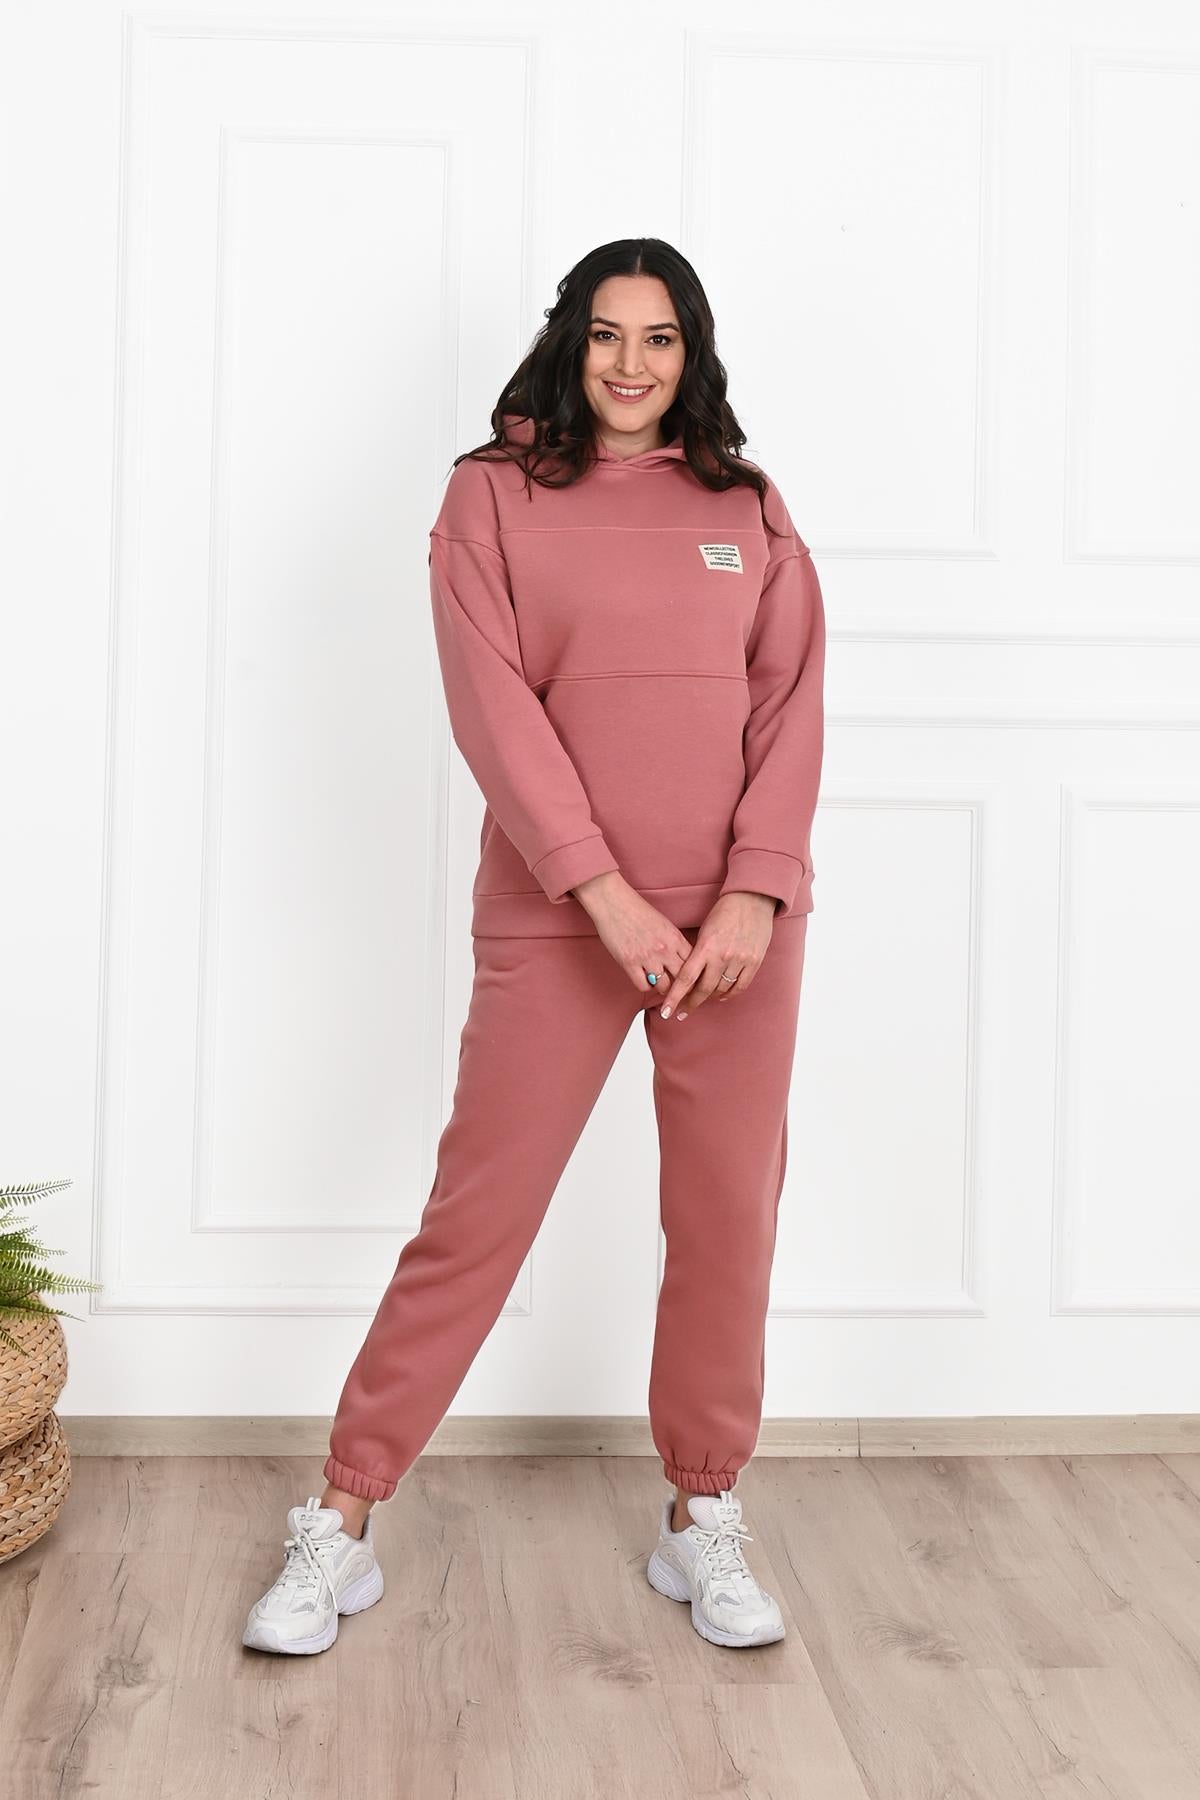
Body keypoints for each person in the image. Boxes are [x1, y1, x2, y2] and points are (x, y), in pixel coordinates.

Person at [243, 237, 826, 1657]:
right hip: (564, 916)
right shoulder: (490, 496)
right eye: (607, 334)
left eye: (660, 339)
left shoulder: (745, 505)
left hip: (733, 937)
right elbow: (491, 708)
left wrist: (756, 892)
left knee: (727, 1221)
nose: (632, 364)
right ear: (571, 340)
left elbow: (790, 703)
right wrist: (602, 894)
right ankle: (343, 1516)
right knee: (478, 1217)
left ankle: (702, 1513)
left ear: (692, 354)